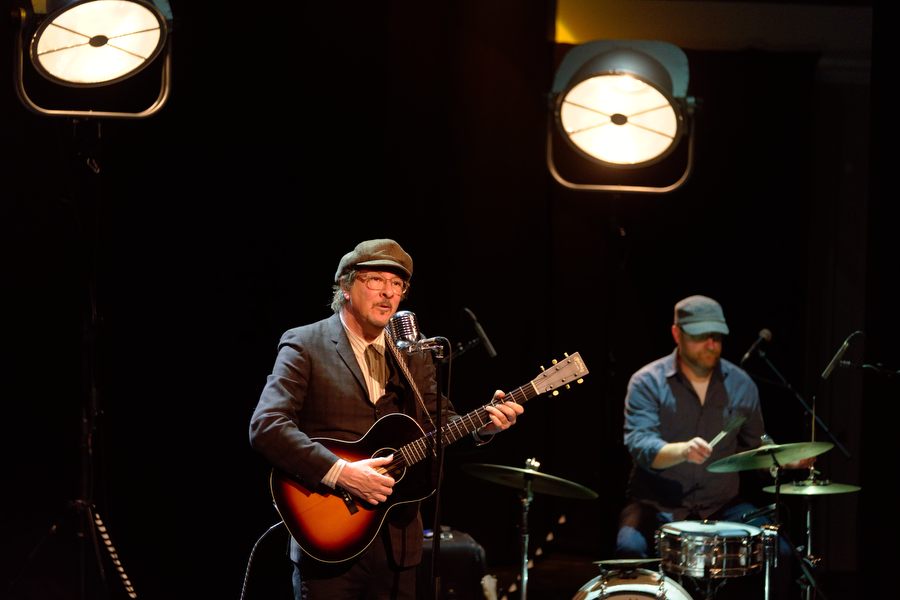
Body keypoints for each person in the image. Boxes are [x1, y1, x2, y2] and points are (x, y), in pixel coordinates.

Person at [249, 238, 523, 600]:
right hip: (328, 538)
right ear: (346, 286)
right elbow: (267, 426)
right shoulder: (306, 343)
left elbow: (436, 421)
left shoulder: (414, 351)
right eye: (376, 279)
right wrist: (341, 472)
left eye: (398, 284)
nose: (389, 293)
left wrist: (483, 426)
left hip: (398, 546)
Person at [616, 295, 810, 596]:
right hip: (657, 503)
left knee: (779, 552)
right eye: (700, 336)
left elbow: (756, 444)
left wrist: (782, 459)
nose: (711, 344)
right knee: (629, 550)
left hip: (721, 505)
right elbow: (641, 445)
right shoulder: (646, 381)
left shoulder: (741, 384)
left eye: (716, 336)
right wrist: (682, 451)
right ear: (677, 334)